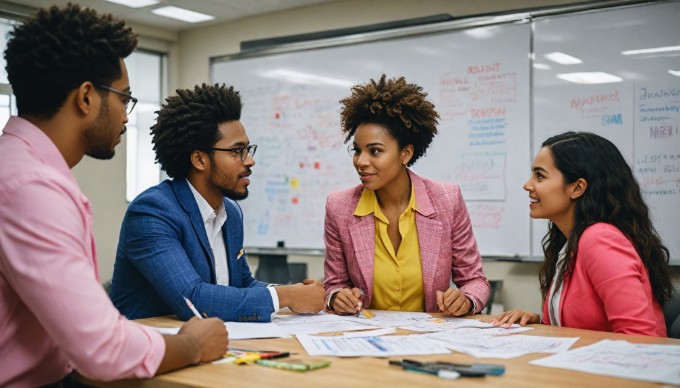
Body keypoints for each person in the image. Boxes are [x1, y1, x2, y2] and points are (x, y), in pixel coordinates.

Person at [0, 4, 227, 386]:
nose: (126, 114)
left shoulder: (22, 168)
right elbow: (102, 349)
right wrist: (192, 345)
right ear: (86, 97)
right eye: (124, 97)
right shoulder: (30, 187)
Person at [110, 83, 325, 322]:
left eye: (248, 149)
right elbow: (192, 300)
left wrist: (299, 294)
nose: (250, 161)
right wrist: (286, 296)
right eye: (237, 151)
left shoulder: (231, 214)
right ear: (200, 159)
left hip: (212, 346)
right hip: (150, 351)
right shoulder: (152, 212)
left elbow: (243, 284)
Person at [323, 75, 490, 316]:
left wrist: (466, 300)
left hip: (428, 341)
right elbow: (333, 284)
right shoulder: (339, 207)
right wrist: (337, 297)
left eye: (375, 151)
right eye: (357, 150)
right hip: (366, 341)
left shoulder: (447, 200)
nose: (361, 161)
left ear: (406, 153)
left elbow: (476, 281)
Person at [491, 131, 673, 336]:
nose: (528, 185)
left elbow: (641, 337)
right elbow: (587, 326)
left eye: (540, 175)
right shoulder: (570, 241)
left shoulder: (600, 239)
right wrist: (541, 323)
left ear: (577, 187)